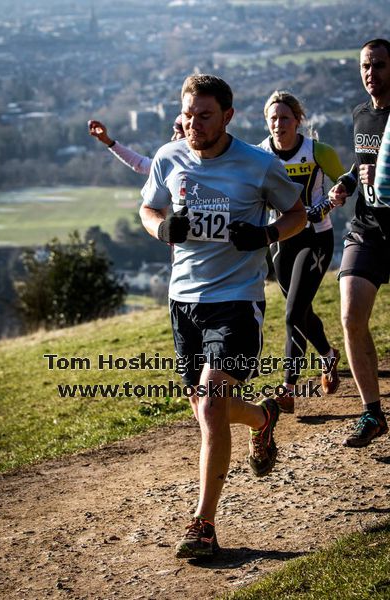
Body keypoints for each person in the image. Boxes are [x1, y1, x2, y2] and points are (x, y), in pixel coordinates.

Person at [139, 74, 306, 559]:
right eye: (188, 115)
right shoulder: (169, 157)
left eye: (204, 116)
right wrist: (160, 227)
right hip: (183, 301)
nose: (193, 124)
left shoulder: (258, 165)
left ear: (228, 116)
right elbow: (148, 210)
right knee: (204, 408)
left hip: (237, 298)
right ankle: (263, 416)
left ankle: (203, 525)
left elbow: (297, 214)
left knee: (211, 404)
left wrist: (268, 234)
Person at [259, 91, 346, 414]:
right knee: (302, 311)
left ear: (298, 121)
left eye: (285, 118)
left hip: (315, 239)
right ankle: (327, 355)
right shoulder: (260, 155)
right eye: (273, 118)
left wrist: (338, 194)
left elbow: (348, 183)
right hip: (281, 242)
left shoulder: (318, 151)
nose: (278, 124)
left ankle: (288, 387)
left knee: (293, 314)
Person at [328, 38, 390, 448]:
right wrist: (348, 183)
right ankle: (372, 412)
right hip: (367, 229)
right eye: (366, 66)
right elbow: (361, 163)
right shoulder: (361, 115)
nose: (371, 73)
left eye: (380, 65)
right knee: (350, 315)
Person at [88, 114, 185, 175]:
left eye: (177, 133)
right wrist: (108, 141)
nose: (173, 138)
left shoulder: (175, 167)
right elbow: (139, 163)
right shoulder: (170, 165)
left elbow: (139, 164)